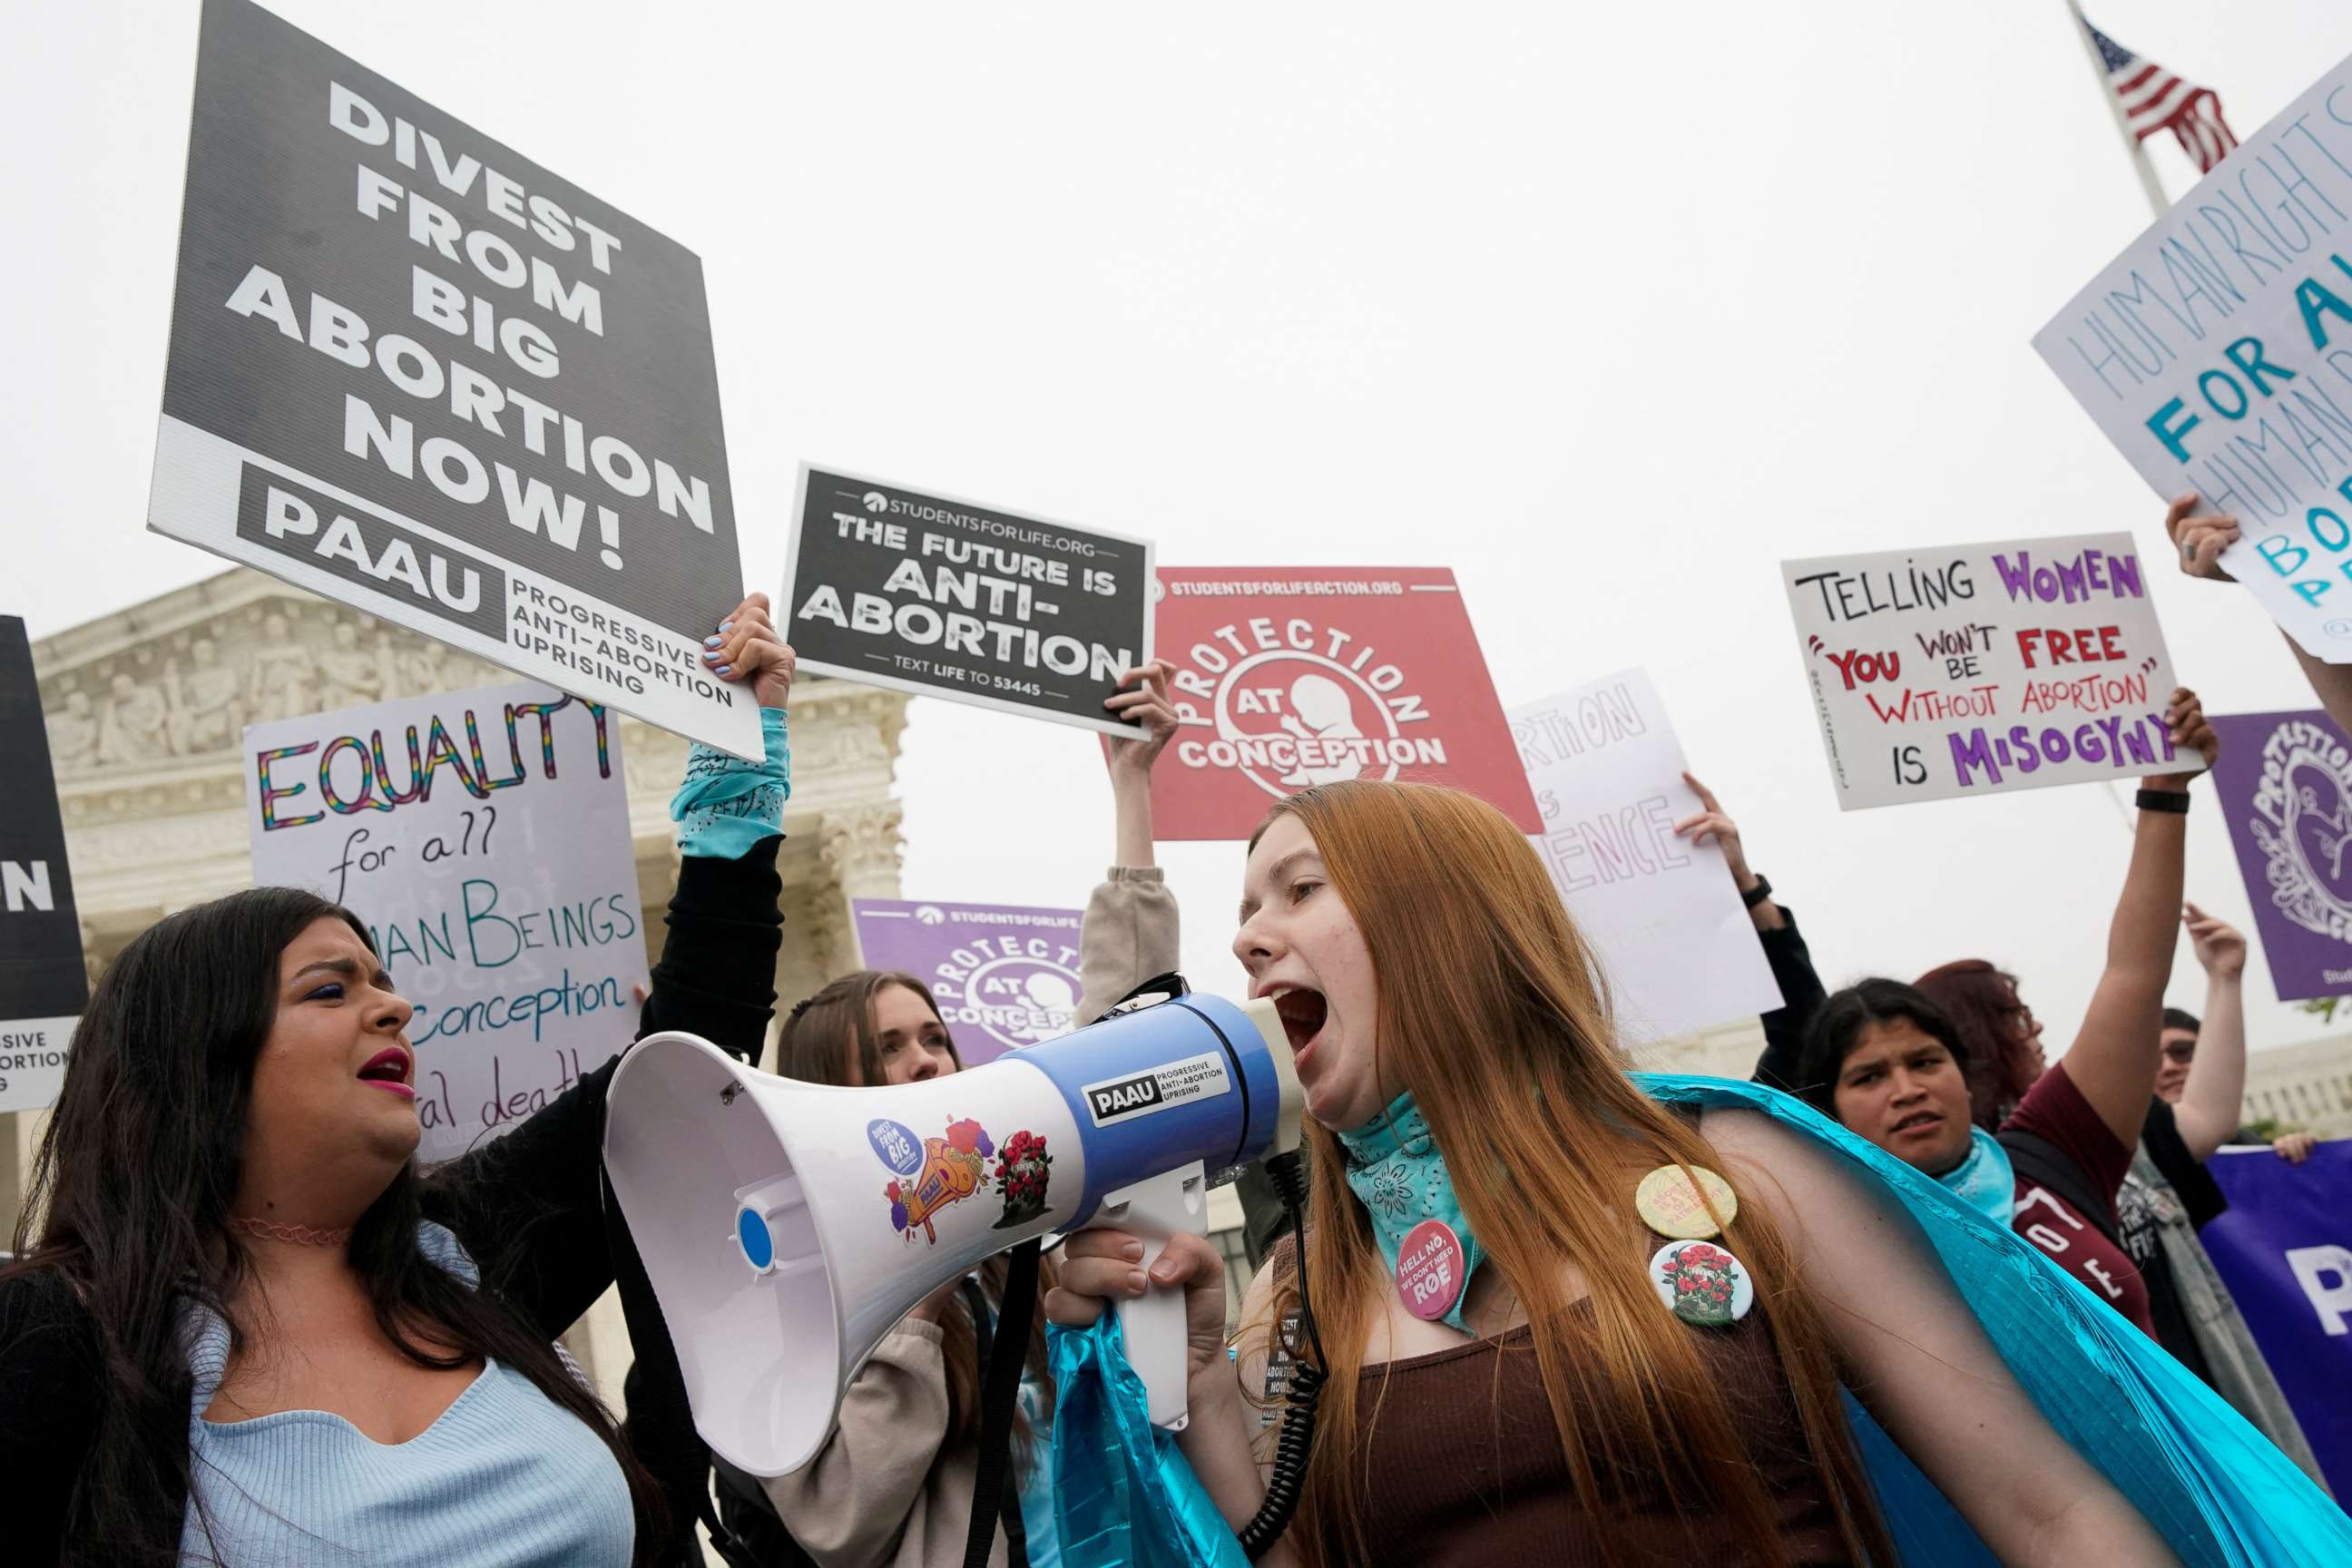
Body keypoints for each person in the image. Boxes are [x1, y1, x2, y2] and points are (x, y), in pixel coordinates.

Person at [1047, 779, 2187, 1566]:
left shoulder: (1736, 1169)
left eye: (1300, 890)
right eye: (1246, 909)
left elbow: (2049, 1515)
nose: (1247, 939)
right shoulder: (1295, 1295)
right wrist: (1197, 1394)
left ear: (1450, 924)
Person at [0, 596, 797, 1567]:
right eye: (332, 988)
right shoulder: (58, 1344)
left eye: (385, 981)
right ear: (195, 1058)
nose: (395, 1009)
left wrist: (735, 777)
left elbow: (679, 1064)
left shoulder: (470, 1256)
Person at [740, 661, 1184, 1568]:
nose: (928, 1060)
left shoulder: (1016, 1214)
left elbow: (1120, 1047)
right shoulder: (800, 1305)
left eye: (934, 1036)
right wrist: (919, 1296)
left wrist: (1130, 790)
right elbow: (838, 1524)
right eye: (890, 1049)